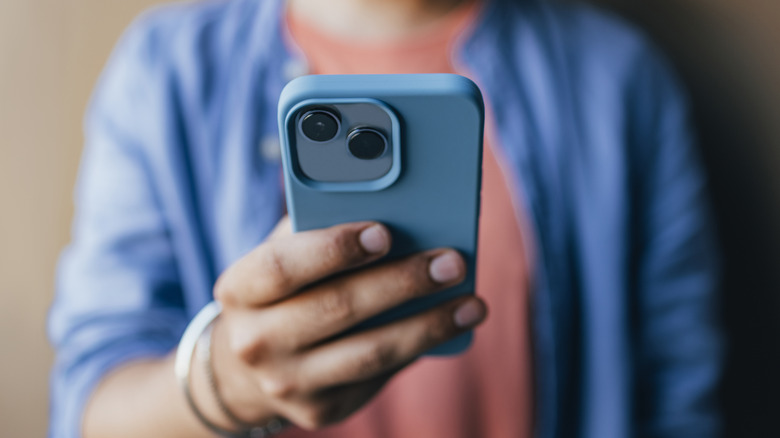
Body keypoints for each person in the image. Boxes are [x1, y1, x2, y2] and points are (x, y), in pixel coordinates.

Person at [48, 0, 723, 437]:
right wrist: (228, 380)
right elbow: (87, 407)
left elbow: (679, 401)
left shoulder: (621, 83)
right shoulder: (165, 74)